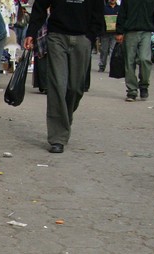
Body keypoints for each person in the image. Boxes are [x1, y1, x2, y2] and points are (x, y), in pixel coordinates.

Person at [24, 0, 104, 153]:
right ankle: (57, 138)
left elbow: (98, 12)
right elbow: (40, 6)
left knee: (75, 88)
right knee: (57, 86)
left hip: (82, 38)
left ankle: (64, 119)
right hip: (57, 37)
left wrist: (91, 36)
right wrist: (31, 32)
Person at [116, 0, 154, 101]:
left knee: (144, 59)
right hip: (130, 32)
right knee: (129, 62)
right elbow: (122, 13)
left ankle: (144, 85)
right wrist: (119, 31)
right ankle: (132, 90)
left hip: (146, 32)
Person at [98, 0, 120, 72]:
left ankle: (112, 67)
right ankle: (102, 66)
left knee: (113, 51)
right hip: (105, 33)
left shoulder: (119, 8)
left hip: (115, 33)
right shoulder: (104, 8)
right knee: (104, 50)